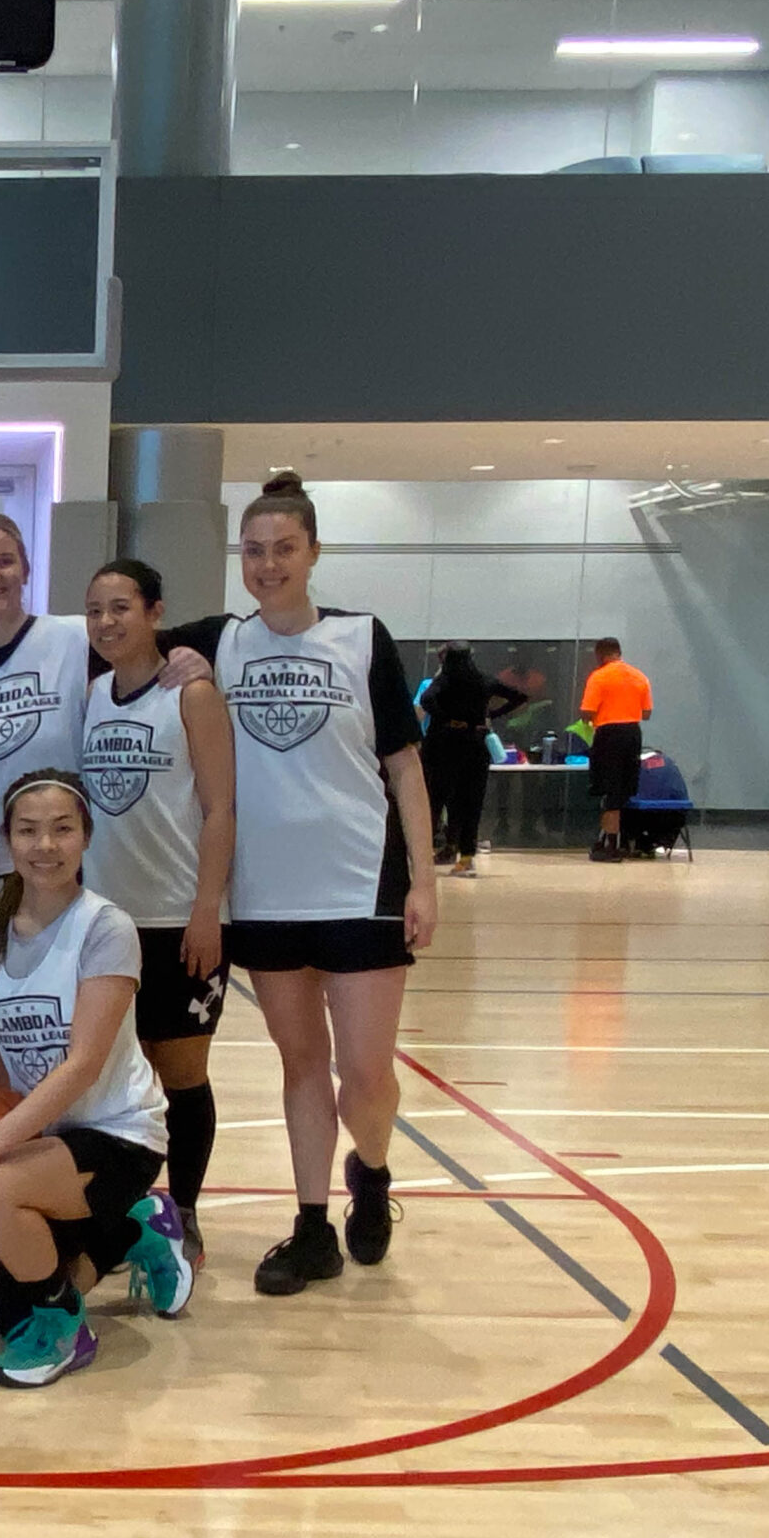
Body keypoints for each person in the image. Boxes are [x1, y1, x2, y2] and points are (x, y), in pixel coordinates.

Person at [160, 474, 437, 1297]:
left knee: (366, 1074)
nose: (268, 563)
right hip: (267, 895)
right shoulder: (220, 640)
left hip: (360, 884)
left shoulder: (362, 637)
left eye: (284, 549)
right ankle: (313, 1225)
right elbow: (124, 641)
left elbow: (406, 766)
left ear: (313, 553)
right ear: (238, 559)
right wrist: (167, 655)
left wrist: (425, 879)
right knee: (301, 1065)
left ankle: (375, 1170)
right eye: (254, 551)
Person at [0, 772, 189, 1390]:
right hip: (52, 1136)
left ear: (86, 837)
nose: (46, 845)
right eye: (29, 831)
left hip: (121, 1133)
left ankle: (67, 1326)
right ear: (7, 840)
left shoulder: (105, 928)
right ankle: (135, 1230)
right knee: (9, 1316)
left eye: (63, 829)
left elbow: (82, 1064)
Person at [78, 559, 234, 1266]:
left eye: (121, 608)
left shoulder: (191, 693)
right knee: (115, 1079)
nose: (108, 622)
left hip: (178, 917)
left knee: (181, 1074)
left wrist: (207, 908)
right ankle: (121, 1213)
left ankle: (188, 1210)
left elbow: (220, 806)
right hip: (108, 923)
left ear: (155, 611)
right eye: (96, 611)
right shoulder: (92, 695)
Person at [0, 514, 93, 955]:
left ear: (26, 569)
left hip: (61, 859)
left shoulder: (75, 638)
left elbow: (153, 651)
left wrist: (187, 658)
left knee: (60, 1003)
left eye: (5, 561)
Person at [419, 641, 527, 877]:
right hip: (476, 743)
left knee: (435, 799)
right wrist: (489, 715)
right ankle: (466, 858)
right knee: (471, 801)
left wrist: (446, 717)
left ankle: (423, 856)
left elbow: (427, 700)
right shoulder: (483, 680)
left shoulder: (445, 680)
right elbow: (518, 696)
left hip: (445, 744)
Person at [577, 636, 653, 863]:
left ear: (600, 654)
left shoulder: (599, 677)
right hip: (632, 733)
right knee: (622, 790)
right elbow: (646, 713)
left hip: (608, 734)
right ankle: (611, 840)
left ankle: (611, 844)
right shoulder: (639, 676)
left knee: (608, 789)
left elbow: (587, 712)